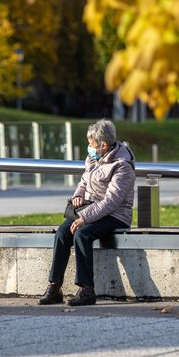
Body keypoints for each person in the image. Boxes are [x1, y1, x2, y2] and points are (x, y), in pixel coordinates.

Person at [38, 119, 136, 307]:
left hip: (116, 215)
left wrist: (85, 217)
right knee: (61, 233)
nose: (88, 147)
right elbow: (83, 182)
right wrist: (78, 195)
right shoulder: (93, 158)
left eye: (91, 144)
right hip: (91, 209)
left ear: (103, 145)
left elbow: (111, 202)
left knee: (82, 234)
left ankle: (87, 290)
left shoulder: (122, 166)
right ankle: (54, 286)